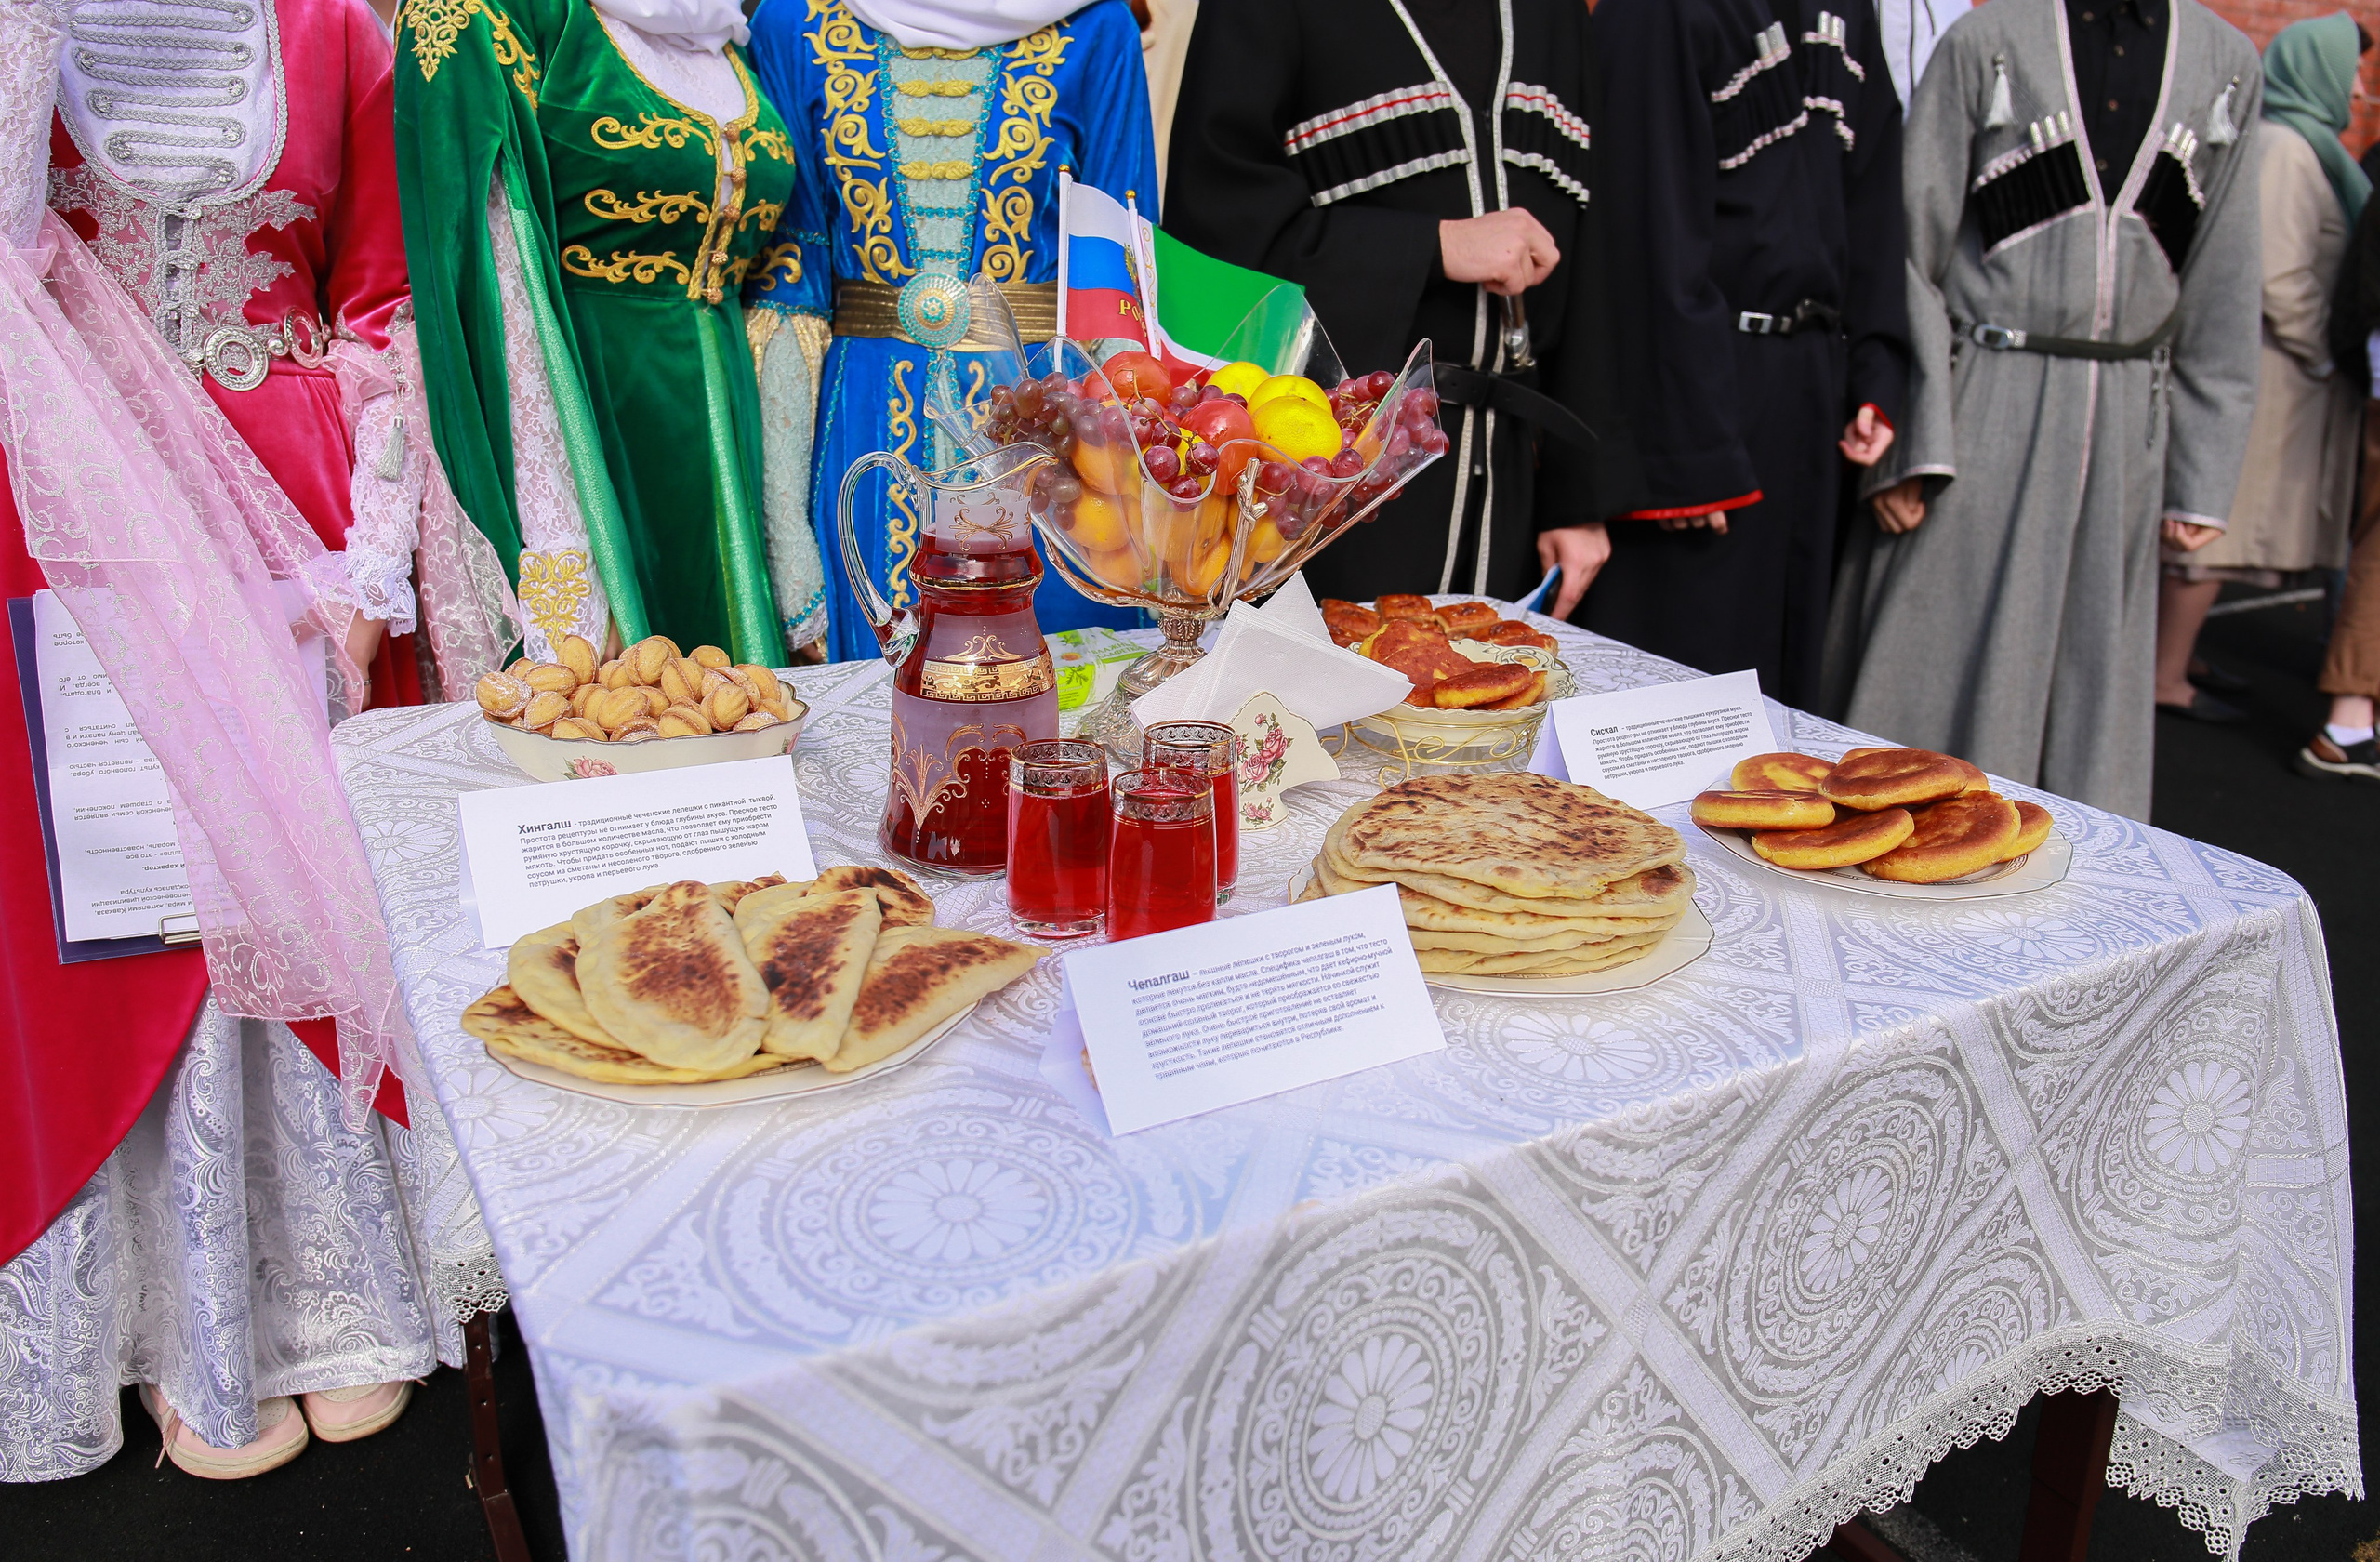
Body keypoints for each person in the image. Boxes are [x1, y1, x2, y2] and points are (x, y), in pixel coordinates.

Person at [0, 0, 503, 1479]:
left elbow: (385, 308)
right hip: (69, 511)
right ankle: (173, 1333)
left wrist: (371, 563)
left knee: (292, 889)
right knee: (124, 909)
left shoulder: (338, 23)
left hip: (286, 526)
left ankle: (322, 1294)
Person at [1823, 0, 2263, 820]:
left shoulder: (2227, 62)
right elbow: (1907, 251)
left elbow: (2226, 281)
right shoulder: (1988, 42)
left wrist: (2201, 469)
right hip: (1981, 395)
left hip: (2129, 420)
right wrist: (1911, 442)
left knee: (2092, 678)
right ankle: (1894, 848)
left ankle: (2062, 887)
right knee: (1931, 658)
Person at [1162, 0, 1641, 614]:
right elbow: (1216, 242)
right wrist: (1433, 246)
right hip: (1331, 480)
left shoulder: (1553, 13)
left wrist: (1578, 499)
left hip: (1507, 484)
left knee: (1493, 699)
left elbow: (1591, 252)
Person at [743, 0, 1157, 667]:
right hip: (864, 435)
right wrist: (786, 532)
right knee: (880, 719)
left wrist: (1141, 504)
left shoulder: (1096, 25)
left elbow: (1123, 275)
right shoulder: (792, 21)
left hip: (1046, 441)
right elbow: (791, 291)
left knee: (1061, 714)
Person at [397, 0, 808, 666]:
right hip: (592, 424)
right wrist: (570, 561)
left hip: (723, 434)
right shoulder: (493, 14)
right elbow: (494, 290)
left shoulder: (719, 23)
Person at [1581, 0, 1910, 707]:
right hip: (1703, 384)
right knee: (1675, 688)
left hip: (1811, 390)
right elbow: (1638, 231)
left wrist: (1875, 368)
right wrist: (1686, 454)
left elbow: (1877, 199)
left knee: (1781, 692)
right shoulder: (1660, 15)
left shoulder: (1848, 10)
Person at [2153, 14, 2365, 725]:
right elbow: (2277, 275)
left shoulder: (2308, 147)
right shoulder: (2284, 148)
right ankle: (2165, 674)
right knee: (2218, 529)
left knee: (2222, 532)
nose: (2361, 86)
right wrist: (2328, 346)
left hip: (2283, 376)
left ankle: (2176, 658)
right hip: (2273, 375)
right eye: (2354, 70)